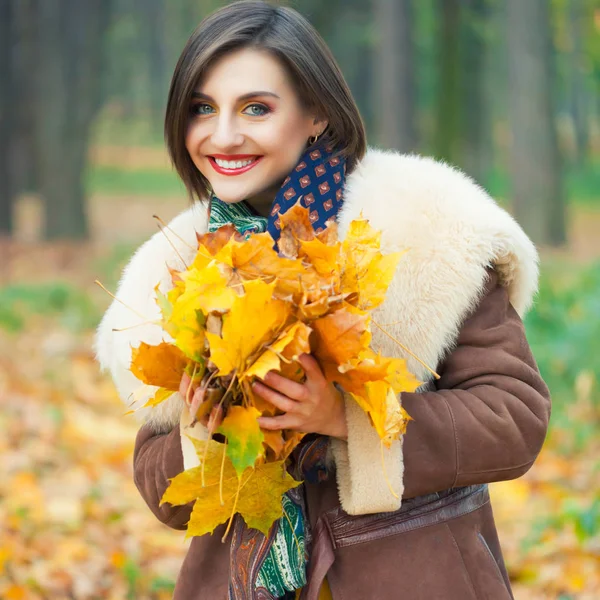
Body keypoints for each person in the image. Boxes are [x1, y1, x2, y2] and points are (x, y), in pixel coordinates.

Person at [95, 1, 551, 598]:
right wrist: (203, 435)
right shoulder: (180, 270)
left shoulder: (424, 231)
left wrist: (343, 421)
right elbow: (162, 491)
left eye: (255, 107)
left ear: (315, 114)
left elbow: (514, 418)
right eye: (201, 108)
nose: (223, 134)